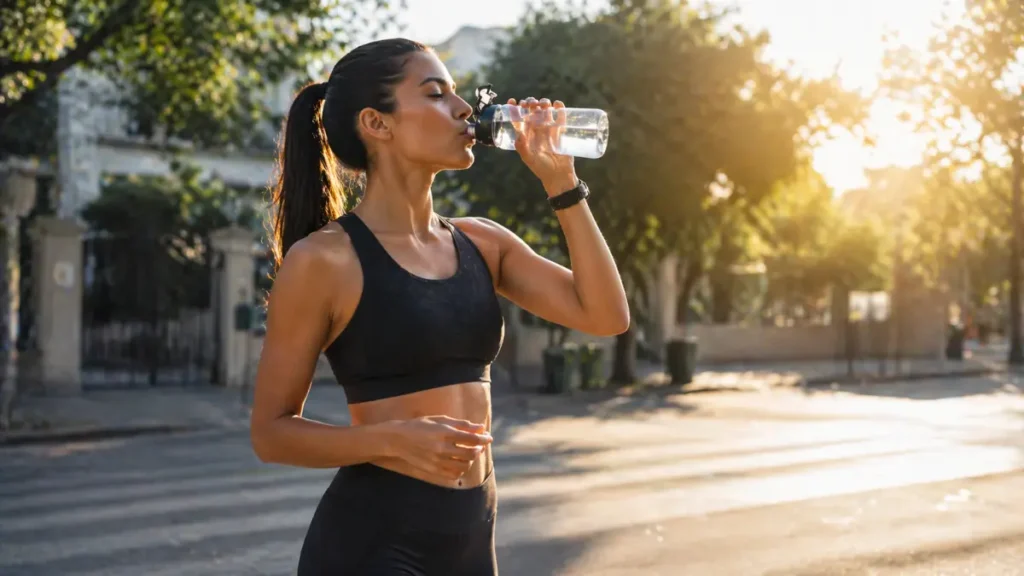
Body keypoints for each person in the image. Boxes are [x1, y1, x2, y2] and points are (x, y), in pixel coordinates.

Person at [249, 37, 629, 575]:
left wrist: (562, 183)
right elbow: (271, 432)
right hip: (375, 545)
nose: (464, 108)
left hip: (472, 538)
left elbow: (606, 315)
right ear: (377, 124)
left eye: (457, 93)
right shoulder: (324, 262)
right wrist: (386, 441)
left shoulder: (484, 243)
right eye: (435, 94)